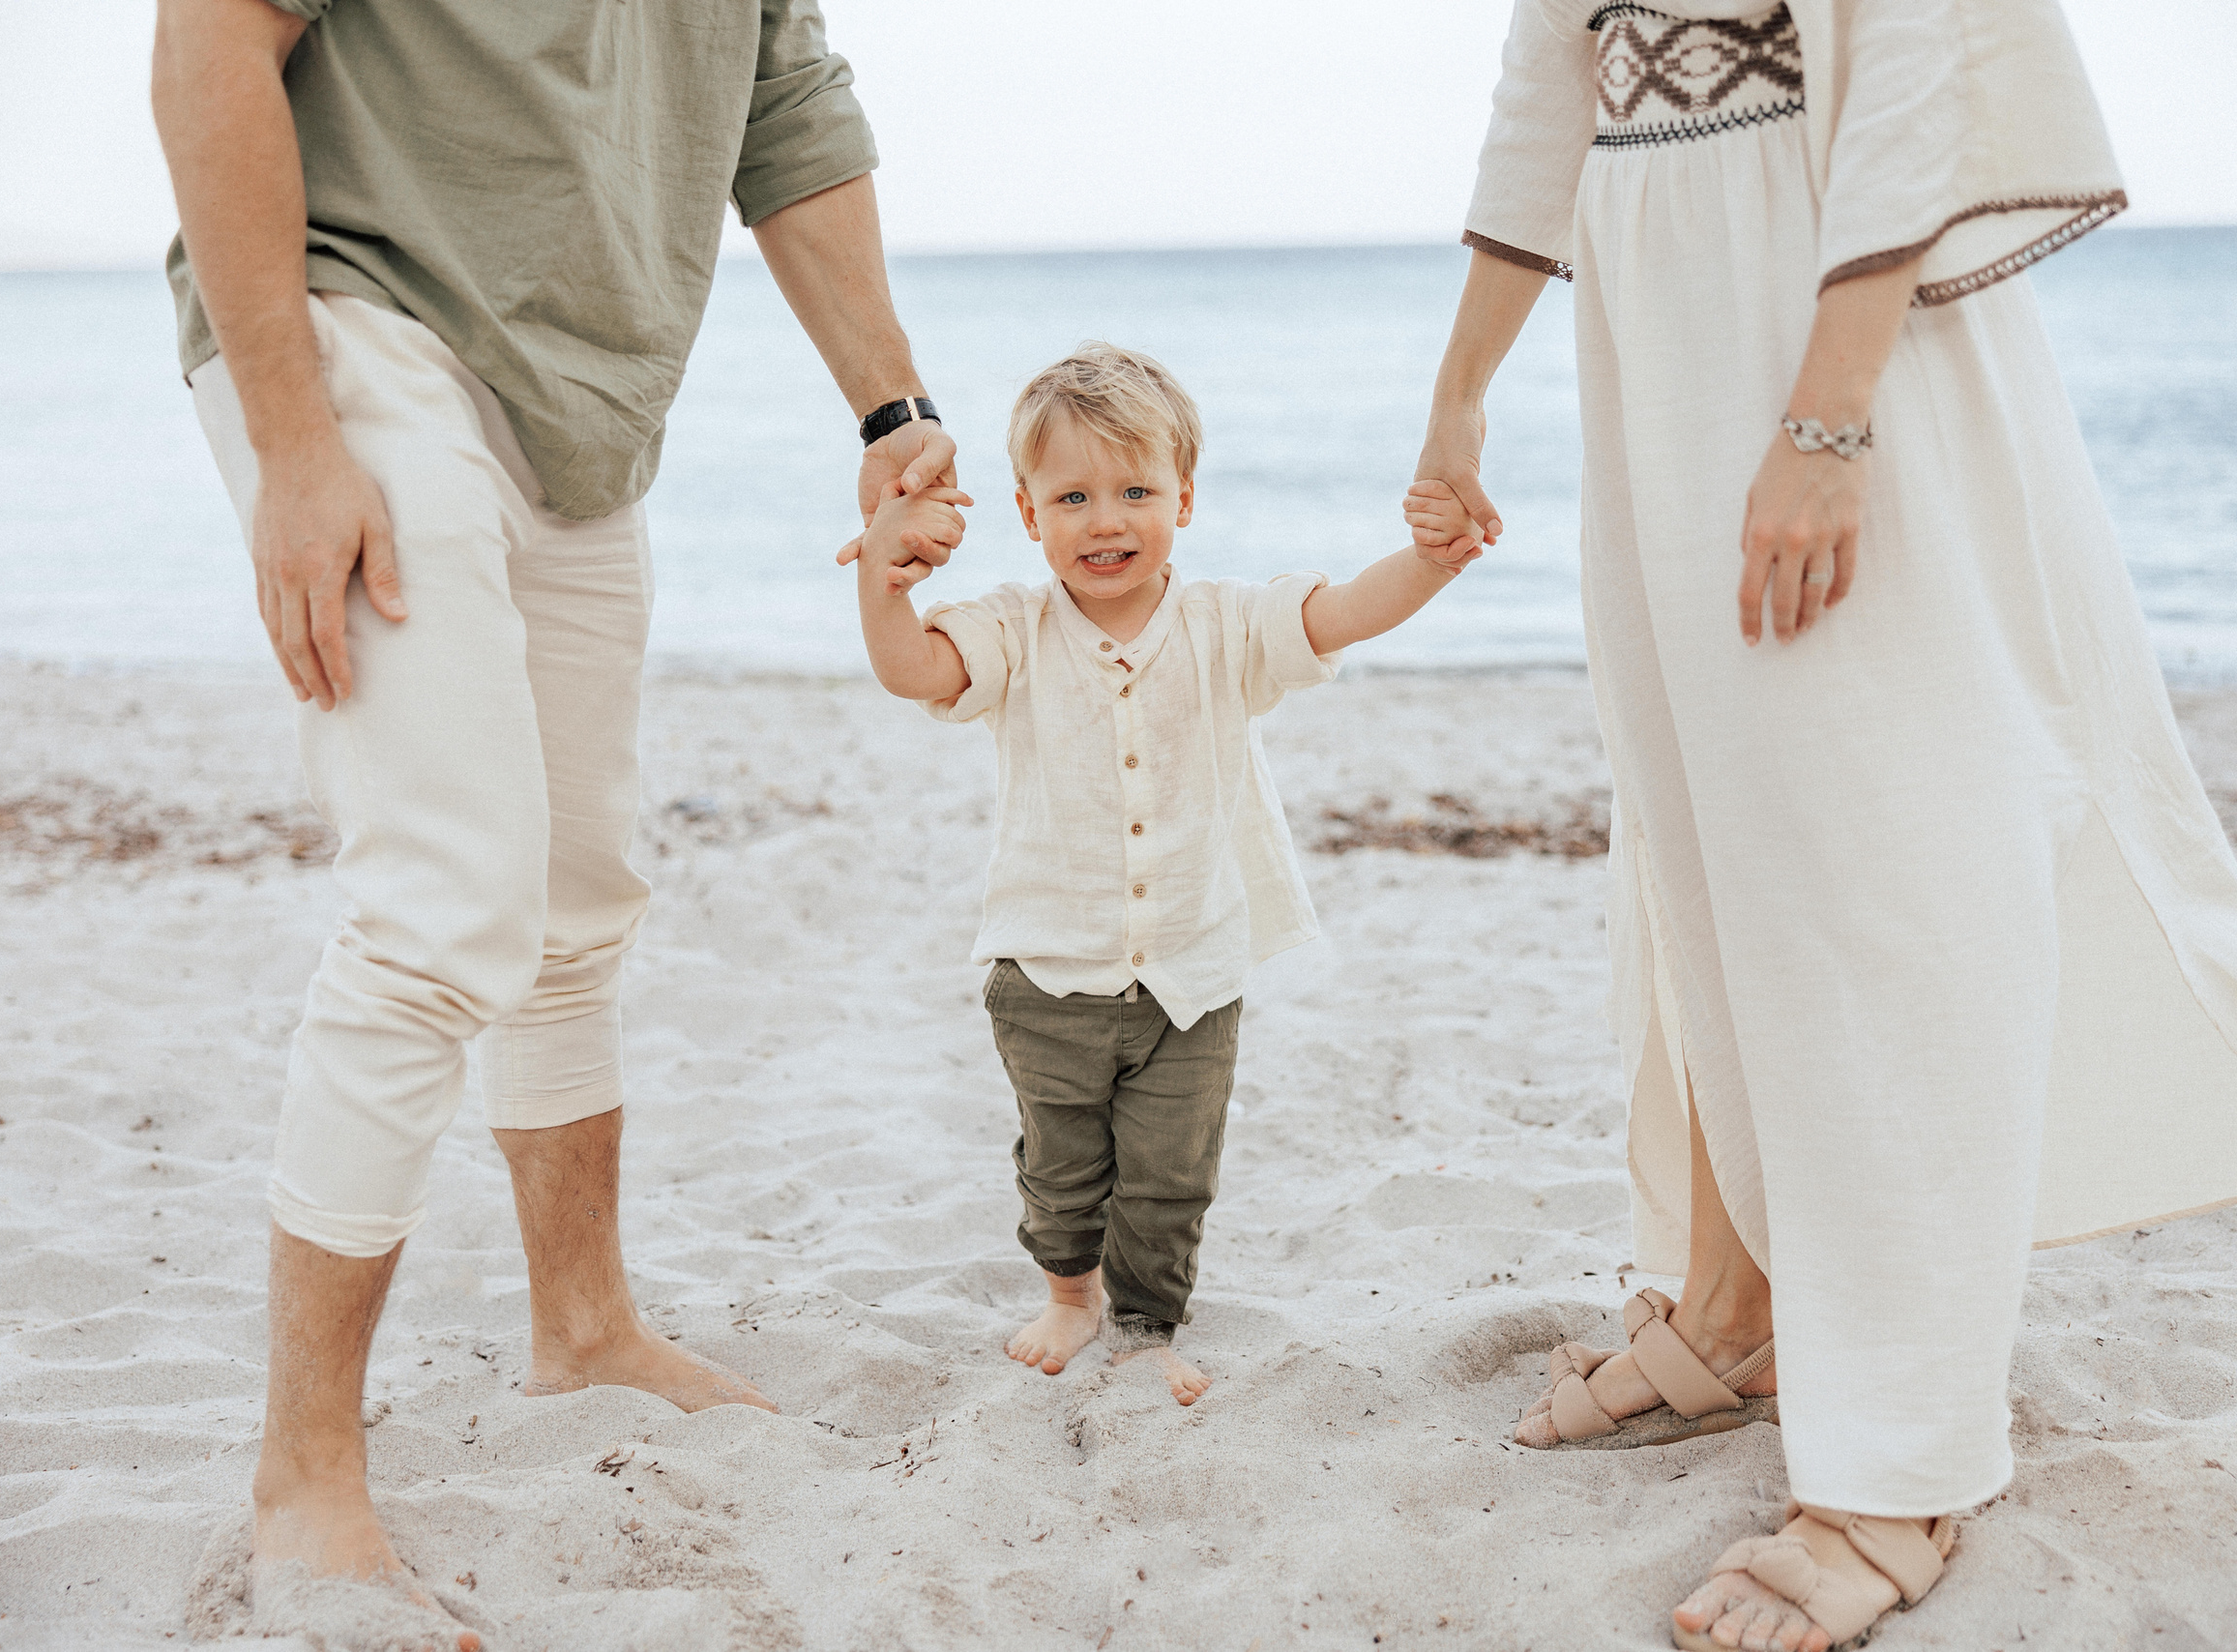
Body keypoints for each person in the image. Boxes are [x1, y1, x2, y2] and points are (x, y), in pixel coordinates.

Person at [1407, 2, 2237, 1647]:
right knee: (1701, 823)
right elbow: (1546, 90)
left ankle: (1902, 1462)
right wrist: (1461, 392)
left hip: (1828, 331)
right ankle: (1736, 1307)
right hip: (1650, 326)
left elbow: (1918, 64)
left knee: (1876, 860)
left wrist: (1829, 415)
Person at [150, 0, 959, 1641]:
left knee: (579, 891)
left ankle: (583, 1325)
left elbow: (785, 109)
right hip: (356, 323)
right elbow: (209, 37)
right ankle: (304, 1474)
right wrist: (294, 438)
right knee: (442, 902)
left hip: (584, 408)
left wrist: (890, 412)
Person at [850, 344, 1479, 1404]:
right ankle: (1067, 1290)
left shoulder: (1227, 623)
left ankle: (1145, 1324)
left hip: (1193, 967)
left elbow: (1346, 611)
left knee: (1170, 1173)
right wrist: (884, 576)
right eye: (1074, 496)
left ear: (1184, 500)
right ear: (1026, 510)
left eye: (1135, 491)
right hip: (1046, 967)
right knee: (1061, 1166)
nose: (1105, 521)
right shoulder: (1010, 626)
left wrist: (1431, 559)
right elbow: (914, 669)